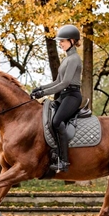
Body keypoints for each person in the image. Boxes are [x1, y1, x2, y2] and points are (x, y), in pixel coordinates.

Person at [31, 24, 82, 173]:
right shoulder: (66, 59)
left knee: (56, 121)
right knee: (47, 121)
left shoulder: (74, 59)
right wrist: (41, 89)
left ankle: (64, 161)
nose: (60, 43)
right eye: (59, 41)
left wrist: (44, 93)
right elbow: (57, 82)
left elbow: (65, 83)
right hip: (64, 96)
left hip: (72, 96)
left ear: (72, 40)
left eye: (63, 41)